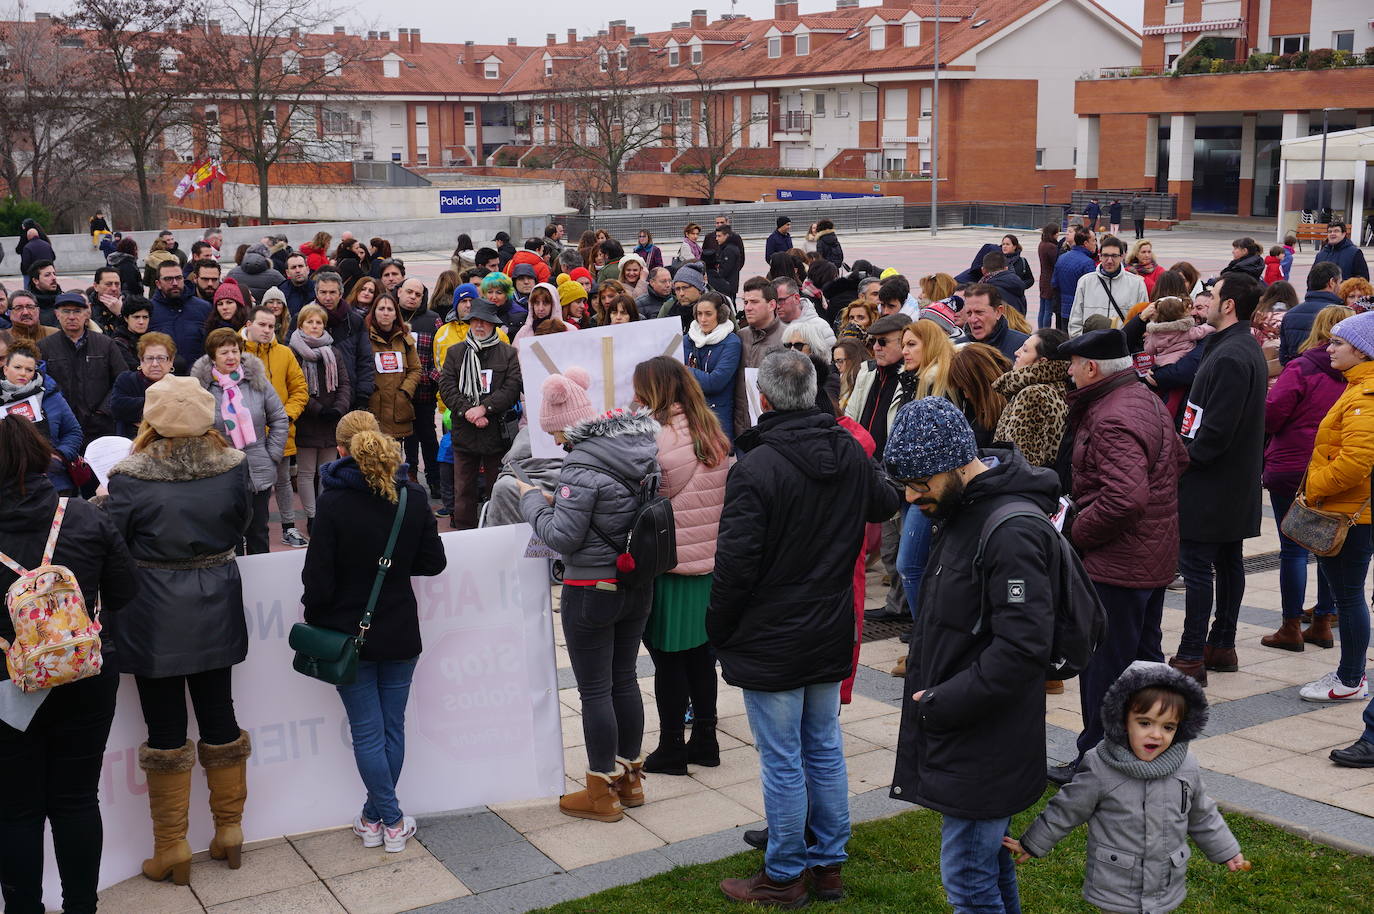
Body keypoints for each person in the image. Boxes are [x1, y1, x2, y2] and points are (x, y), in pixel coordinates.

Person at [710, 350, 899, 905]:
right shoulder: (827, 452)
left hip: (779, 630)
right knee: (821, 748)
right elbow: (882, 500)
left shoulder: (761, 467)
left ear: (763, 399)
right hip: (822, 623)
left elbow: (735, 566)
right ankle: (824, 863)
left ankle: (787, 872)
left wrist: (719, 627)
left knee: (788, 758)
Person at [886, 396, 1058, 914]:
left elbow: (1022, 647)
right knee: (988, 869)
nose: (912, 497)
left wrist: (941, 701)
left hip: (983, 736)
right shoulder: (963, 511)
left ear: (958, 464)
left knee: (967, 881)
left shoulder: (1010, 532)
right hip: (971, 729)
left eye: (921, 484)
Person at [105, 376, 255, 885]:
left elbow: (116, 543)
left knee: (165, 728)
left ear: (150, 420)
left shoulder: (129, 477)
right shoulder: (232, 466)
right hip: (217, 600)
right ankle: (229, 830)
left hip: (153, 612)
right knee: (219, 714)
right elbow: (242, 524)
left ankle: (171, 846)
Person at [0, 416, 138, 914]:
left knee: (16, 810)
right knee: (76, 799)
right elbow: (124, 591)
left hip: (8, 686)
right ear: (44, 457)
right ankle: (82, 906)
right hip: (86, 675)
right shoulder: (84, 516)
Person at [1047, 329, 1189, 784]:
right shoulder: (1141, 397)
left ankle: (1097, 763)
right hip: (1147, 556)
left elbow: (1125, 499)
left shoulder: (1111, 415)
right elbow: (1178, 460)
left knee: (1106, 670)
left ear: (1091, 368)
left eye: (1073, 365)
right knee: (1144, 665)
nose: (1069, 373)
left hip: (1118, 563)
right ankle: (1148, 754)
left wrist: (1077, 531)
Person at [517, 376, 661, 823]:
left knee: (595, 690)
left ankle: (601, 791)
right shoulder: (640, 451)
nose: (555, 442)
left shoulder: (580, 467)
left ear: (568, 424)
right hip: (636, 583)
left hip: (591, 589)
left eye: (555, 432)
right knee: (625, 680)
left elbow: (563, 537)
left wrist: (531, 502)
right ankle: (630, 779)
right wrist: (558, 502)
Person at [302, 413, 446, 853]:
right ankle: (381, 819)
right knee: (391, 729)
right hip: (400, 628)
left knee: (367, 732)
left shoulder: (332, 501)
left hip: (347, 635)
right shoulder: (412, 496)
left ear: (340, 450)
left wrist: (318, 615)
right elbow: (433, 562)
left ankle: (386, 819)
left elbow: (317, 581)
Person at [1006, 663, 1246, 912]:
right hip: (1117, 886)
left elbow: (1203, 814)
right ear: (1122, 720)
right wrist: (1033, 843)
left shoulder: (1185, 766)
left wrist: (1226, 850)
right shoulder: (1101, 767)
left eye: (1168, 727)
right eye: (1145, 723)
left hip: (1165, 884)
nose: (1156, 735)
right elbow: (1067, 809)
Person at [632, 357, 730, 775]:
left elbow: (644, 495)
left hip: (669, 565)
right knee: (700, 658)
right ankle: (705, 740)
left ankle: (671, 746)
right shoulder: (708, 427)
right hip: (707, 562)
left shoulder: (657, 436)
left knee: (669, 661)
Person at [1168, 274, 1267, 685]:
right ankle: (1221, 644)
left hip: (1213, 483)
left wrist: (1181, 462)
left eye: (1211, 294)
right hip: (1230, 481)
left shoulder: (1231, 354)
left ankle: (1193, 653)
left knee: (1197, 567)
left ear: (1228, 305)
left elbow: (1215, 431)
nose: (1204, 300)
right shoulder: (1233, 345)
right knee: (1227, 563)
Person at [1291, 310, 1374, 704]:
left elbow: (1357, 462)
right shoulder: (1357, 386)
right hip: (1347, 509)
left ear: (1362, 350)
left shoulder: (1366, 396)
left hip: (1350, 514)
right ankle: (1350, 673)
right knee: (1347, 595)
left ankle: (1351, 679)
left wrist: (1314, 488)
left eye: (1338, 342)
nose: (1329, 349)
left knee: (1349, 596)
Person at [1260, 304, 1350, 651]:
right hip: (1335, 469)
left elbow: (1272, 414)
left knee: (1293, 550)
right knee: (1328, 545)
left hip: (1292, 465)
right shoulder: (1358, 375)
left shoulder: (1301, 367)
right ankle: (1324, 621)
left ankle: (1291, 626)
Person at [192, 328, 289, 555]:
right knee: (228, 533)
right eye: (224, 352)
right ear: (213, 357)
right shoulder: (201, 388)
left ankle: (261, 574)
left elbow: (279, 418)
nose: (231, 357)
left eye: (235, 351)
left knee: (258, 530)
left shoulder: (256, 381)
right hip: (221, 469)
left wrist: (272, 454)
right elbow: (195, 429)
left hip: (257, 465)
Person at [437, 297, 522, 530]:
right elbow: (447, 387)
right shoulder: (455, 353)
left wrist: (484, 408)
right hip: (465, 431)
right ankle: (465, 532)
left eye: (485, 321)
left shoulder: (508, 353)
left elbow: (512, 388)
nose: (479, 325)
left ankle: (496, 531)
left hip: (497, 432)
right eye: (475, 320)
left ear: (493, 324)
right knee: (463, 489)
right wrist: (468, 411)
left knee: (498, 488)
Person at [241, 304, 310, 548]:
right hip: (245, 436)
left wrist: (286, 417)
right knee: (246, 486)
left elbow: (299, 389)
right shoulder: (235, 352)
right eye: (262, 324)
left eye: (271, 326)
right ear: (248, 324)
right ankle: (244, 531)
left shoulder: (284, 353)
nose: (267, 330)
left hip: (279, 433)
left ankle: (289, 527)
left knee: (282, 482)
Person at [288, 303, 354, 535]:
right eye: (310, 322)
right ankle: (312, 516)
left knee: (327, 471)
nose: (315, 326)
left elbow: (344, 384)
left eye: (319, 323)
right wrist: (318, 410)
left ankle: (325, 513)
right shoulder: (293, 352)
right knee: (306, 473)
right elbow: (296, 388)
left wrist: (338, 408)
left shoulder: (333, 352)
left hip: (331, 421)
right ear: (301, 325)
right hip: (308, 420)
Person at [39, 293, 125, 444]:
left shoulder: (106, 344)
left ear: (87, 314)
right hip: (61, 427)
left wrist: (104, 410)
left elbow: (122, 380)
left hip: (101, 426)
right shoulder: (44, 347)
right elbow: (40, 385)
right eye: (66, 311)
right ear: (57, 314)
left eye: (77, 311)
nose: (72, 317)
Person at [0, 340, 83, 495]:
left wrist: (59, 456)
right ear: (5, 369)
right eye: (17, 367)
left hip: (54, 484)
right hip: (9, 488)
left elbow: (73, 432)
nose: (23, 373)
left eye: (29, 369)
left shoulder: (51, 395)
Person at [992, 328, 1070, 469]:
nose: (1016, 352)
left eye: (1025, 350)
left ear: (1042, 362)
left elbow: (1021, 462)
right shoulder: (1058, 386)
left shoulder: (1032, 395)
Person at [683, 293, 741, 441]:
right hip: (688, 414)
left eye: (708, 314)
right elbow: (666, 370)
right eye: (699, 314)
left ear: (720, 315)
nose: (703, 319)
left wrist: (682, 370)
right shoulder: (686, 339)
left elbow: (714, 382)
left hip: (717, 417)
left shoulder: (732, 343)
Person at [366, 294, 421, 440]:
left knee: (394, 452)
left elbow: (416, 369)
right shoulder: (364, 338)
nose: (385, 313)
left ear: (396, 314)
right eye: (381, 309)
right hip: (372, 407)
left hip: (398, 408)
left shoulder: (405, 339)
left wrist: (405, 391)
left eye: (390, 309)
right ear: (374, 312)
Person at [735, 277, 785, 435]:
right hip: (741, 429)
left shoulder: (788, 338)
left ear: (772, 305)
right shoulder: (740, 337)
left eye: (754, 302)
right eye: (745, 302)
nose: (748, 308)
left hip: (774, 429)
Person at [1068, 236, 1148, 336]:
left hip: (1122, 344)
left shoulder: (1137, 284)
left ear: (1122, 256)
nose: (1109, 260)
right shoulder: (1085, 282)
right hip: (1090, 343)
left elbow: (1143, 320)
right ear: (1100, 256)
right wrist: (1081, 341)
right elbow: (1075, 320)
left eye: (1114, 256)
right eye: (1105, 255)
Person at [149, 259, 212, 372]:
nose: (174, 283)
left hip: (197, 376)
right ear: (158, 284)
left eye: (178, 278)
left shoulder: (204, 308)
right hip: (162, 377)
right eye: (168, 279)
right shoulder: (149, 311)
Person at [112, 332, 176, 437]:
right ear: (141, 360)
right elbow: (117, 407)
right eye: (149, 358)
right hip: (132, 441)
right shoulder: (126, 379)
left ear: (171, 361)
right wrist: (164, 404)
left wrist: (140, 412)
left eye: (161, 358)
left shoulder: (179, 385)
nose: (155, 364)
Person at [1279, 262, 1345, 364]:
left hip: (1297, 370)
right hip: (1328, 371)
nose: (1341, 287)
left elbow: (1283, 357)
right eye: (1340, 282)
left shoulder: (1290, 315)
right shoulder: (1339, 313)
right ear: (1332, 282)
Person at [962, 284, 1029, 363]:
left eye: (979, 312)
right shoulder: (957, 349)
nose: (973, 320)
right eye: (969, 313)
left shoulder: (1024, 346)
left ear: (998, 312)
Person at [1142, 295, 1216, 366]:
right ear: (1181, 313)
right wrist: (1213, 325)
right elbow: (1201, 331)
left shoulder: (1155, 334)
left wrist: (1148, 338)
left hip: (1163, 363)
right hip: (1183, 358)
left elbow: (1149, 350)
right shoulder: (1185, 329)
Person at [1053, 227, 1097, 331]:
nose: (1095, 243)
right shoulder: (1088, 263)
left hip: (1063, 308)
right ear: (1086, 243)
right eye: (1093, 240)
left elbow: (1054, 283)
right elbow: (1092, 290)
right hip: (1080, 311)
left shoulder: (1062, 258)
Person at [111, 296, 152, 371]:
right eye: (136, 317)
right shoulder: (119, 343)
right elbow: (133, 368)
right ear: (126, 318)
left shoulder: (155, 339)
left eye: (145, 317)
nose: (141, 322)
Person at [706, 225, 743, 300]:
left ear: (727, 236)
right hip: (728, 285)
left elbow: (725, 270)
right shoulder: (727, 247)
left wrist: (715, 276)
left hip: (727, 286)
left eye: (719, 236)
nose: (717, 238)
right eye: (716, 236)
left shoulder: (729, 250)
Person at [831, 338, 867, 412]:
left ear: (854, 359)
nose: (837, 366)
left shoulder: (864, 382)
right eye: (835, 362)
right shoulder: (840, 381)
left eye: (840, 361)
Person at [1036, 224, 1061, 330]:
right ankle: (1045, 331)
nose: (1058, 235)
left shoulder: (1042, 244)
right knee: (1048, 310)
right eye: (1057, 233)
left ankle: (1040, 330)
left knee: (1042, 308)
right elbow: (1057, 262)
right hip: (1050, 279)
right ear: (1053, 234)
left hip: (1043, 278)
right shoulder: (1051, 247)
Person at [278, 253, 317, 318]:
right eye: (293, 267)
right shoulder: (281, 292)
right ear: (287, 273)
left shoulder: (318, 289)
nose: (298, 270)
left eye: (300, 266)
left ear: (308, 270)